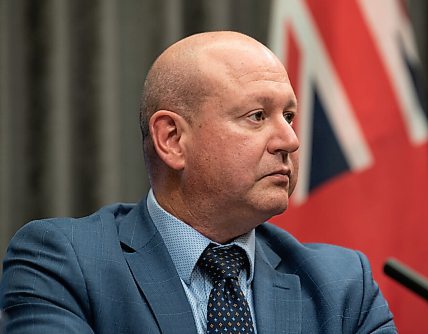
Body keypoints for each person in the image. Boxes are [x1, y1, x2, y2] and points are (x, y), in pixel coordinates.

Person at [0, 31, 396, 333]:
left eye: (288, 116)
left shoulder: (342, 284)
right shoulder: (63, 264)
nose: (290, 141)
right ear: (172, 139)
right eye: (257, 116)